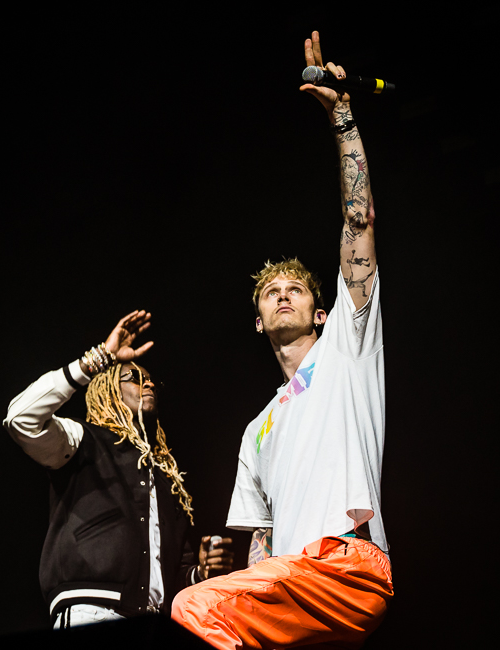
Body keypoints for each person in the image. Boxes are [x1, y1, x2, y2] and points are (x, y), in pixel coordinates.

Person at [172, 30, 393, 649]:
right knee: (220, 606)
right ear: (260, 321)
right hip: (294, 583)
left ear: (321, 314)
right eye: (272, 293)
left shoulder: (346, 349)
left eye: (296, 289)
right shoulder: (257, 431)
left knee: (194, 608)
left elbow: (358, 221)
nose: (284, 295)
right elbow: (261, 545)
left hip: (346, 565)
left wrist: (343, 118)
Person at [3, 309, 233, 629]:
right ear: (108, 390)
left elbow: (173, 574)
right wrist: (99, 358)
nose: (148, 383)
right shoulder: (82, 441)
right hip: (91, 611)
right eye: (134, 378)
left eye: (150, 380)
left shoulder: (166, 477)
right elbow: (20, 418)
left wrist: (200, 573)